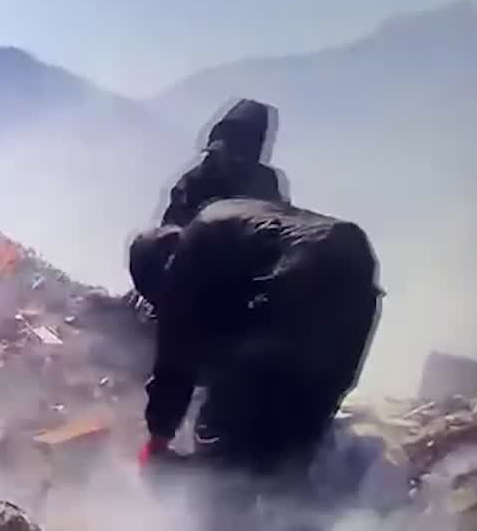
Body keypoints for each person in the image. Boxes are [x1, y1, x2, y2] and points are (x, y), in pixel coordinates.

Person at [130, 198, 382, 477]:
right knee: (296, 434)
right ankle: (284, 507)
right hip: (359, 287)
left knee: (225, 427)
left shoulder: (190, 250)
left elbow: (175, 359)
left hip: (303, 278)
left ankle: (208, 499)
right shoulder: (231, 231)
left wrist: (158, 438)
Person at [160, 99, 287, 228]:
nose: (235, 161)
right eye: (229, 153)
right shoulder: (193, 181)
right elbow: (170, 233)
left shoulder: (266, 180)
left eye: (241, 156)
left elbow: (281, 225)